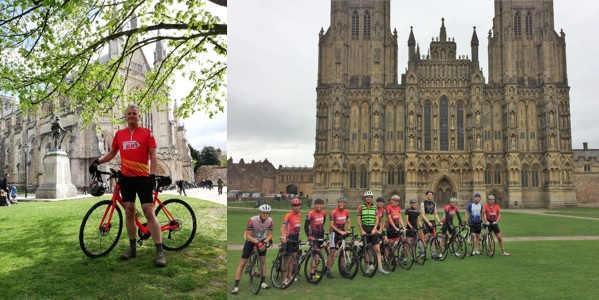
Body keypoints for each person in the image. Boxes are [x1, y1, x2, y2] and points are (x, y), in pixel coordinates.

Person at [88, 104, 166, 267]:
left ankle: (159, 251)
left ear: (138, 117)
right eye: (129, 114)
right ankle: (132, 248)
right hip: (127, 178)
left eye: (134, 114)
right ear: (125, 117)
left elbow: (153, 155)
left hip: (143, 178)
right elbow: (112, 153)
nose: (131, 116)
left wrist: (152, 175)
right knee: (129, 212)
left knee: (149, 212)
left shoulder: (147, 133)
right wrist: (98, 161)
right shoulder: (120, 134)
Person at [231, 204, 273, 295]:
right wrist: (257, 242)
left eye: (267, 213)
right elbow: (247, 235)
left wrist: (265, 242)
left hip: (262, 239)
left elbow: (270, 234)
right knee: (242, 263)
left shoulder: (270, 221)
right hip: (250, 238)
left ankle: (263, 282)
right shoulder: (252, 220)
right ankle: (236, 286)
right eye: (263, 213)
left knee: (262, 260)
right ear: (260, 213)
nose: (265, 215)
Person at [357, 191, 389, 275]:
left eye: (370, 197)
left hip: (372, 229)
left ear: (372, 198)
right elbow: (358, 220)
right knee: (367, 249)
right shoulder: (361, 207)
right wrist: (362, 230)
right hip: (365, 229)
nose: (369, 198)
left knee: (378, 249)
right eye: (367, 197)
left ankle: (380, 268)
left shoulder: (375, 208)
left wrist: (375, 228)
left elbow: (377, 219)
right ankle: (368, 266)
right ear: (365, 198)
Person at [326, 196, 351, 279]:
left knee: (343, 251)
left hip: (342, 233)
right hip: (334, 234)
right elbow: (331, 225)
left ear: (345, 204)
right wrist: (340, 231)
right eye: (340, 202)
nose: (341, 204)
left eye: (343, 202)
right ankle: (328, 270)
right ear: (338, 203)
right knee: (332, 252)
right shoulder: (333, 212)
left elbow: (349, 222)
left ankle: (342, 268)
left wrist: (347, 229)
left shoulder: (346, 212)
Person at [280, 197, 303, 284]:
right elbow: (283, 227)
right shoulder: (288, 215)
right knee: (287, 259)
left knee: (293, 259)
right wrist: (283, 236)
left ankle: (290, 276)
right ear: (292, 206)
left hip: (295, 239)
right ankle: (284, 278)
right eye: (294, 206)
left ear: (300, 206)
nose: (296, 207)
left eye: (298, 205)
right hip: (289, 239)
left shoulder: (299, 215)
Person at [304, 198, 326, 281]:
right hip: (313, 236)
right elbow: (306, 226)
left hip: (321, 235)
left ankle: (314, 272)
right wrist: (309, 236)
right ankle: (312, 274)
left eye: (320, 204)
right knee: (315, 256)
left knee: (318, 255)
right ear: (314, 205)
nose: (318, 206)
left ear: (322, 205)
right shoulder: (310, 214)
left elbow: (323, 222)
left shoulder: (323, 213)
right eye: (317, 204)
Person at [420, 190, 442, 258]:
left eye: (431, 195)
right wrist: (428, 222)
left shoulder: (434, 203)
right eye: (429, 195)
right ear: (426, 195)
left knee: (433, 238)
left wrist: (439, 221)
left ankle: (433, 254)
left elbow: (436, 214)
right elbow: (423, 215)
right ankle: (423, 253)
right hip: (426, 222)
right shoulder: (423, 203)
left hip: (433, 222)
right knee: (425, 238)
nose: (430, 196)